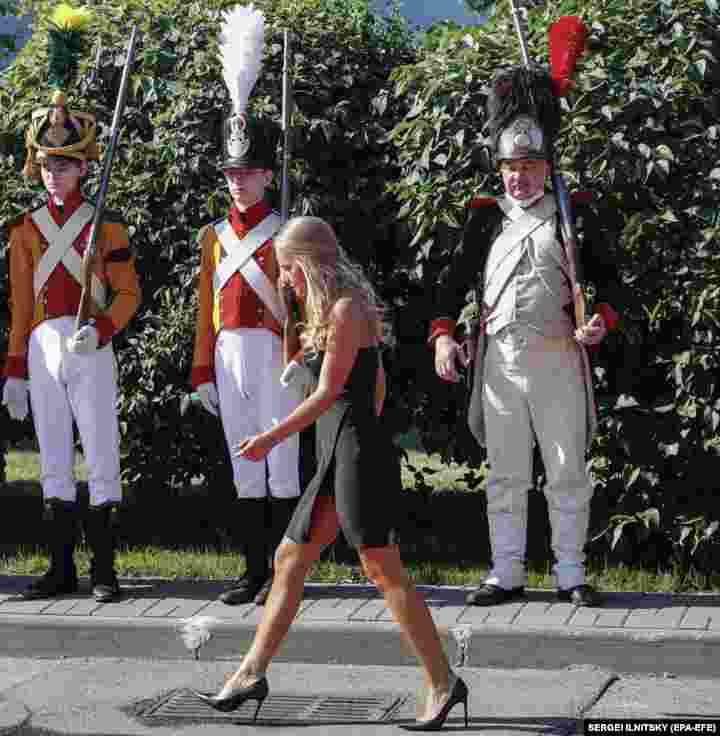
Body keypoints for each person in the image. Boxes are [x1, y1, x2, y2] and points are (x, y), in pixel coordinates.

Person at [197, 216, 468, 732]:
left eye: (286, 270)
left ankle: (442, 682)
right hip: (335, 449)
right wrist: (296, 343)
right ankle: (251, 673)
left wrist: (272, 437)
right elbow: (363, 381)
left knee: (380, 567)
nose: (283, 280)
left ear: (307, 264)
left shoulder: (346, 308)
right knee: (290, 557)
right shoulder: (323, 308)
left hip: (354, 449)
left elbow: (328, 394)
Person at [429, 54, 621, 608]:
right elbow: (449, 288)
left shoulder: (573, 213)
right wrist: (444, 335)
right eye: (510, 167)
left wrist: (598, 322)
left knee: (565, 472)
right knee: (507, 475)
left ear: (546, 164)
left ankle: (570, 573)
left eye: (530, 166)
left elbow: (614, 288)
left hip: (559, 356)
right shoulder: (485, 216)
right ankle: (506, 571)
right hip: (499, 362)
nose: (518, 177)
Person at [1, 4, 140, 604]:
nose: (55, 175)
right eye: (48, 165)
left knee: (101, 451)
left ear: (85, 167)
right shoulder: (24, 230)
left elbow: (130, 292)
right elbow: (18, 306)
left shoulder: (106, 226)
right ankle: (60, 568)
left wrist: (105, 328)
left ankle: (104, 570)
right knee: (53, 456)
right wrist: (12, 369)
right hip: (41, 344)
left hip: (90, 342)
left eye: (66, 165)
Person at [190, 4, 301, 607]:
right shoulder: (214, 237)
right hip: (229, 352)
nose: (239, 182)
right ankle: (252, 570)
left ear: (266, 175)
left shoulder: (288, 232)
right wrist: (200, 369)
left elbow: (307, 305)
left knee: (282, 459)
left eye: (250, 173)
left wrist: (302, 353)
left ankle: (285, 572)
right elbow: (205, 310)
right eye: (233, 173)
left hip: (277, 354)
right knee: (243, 461)